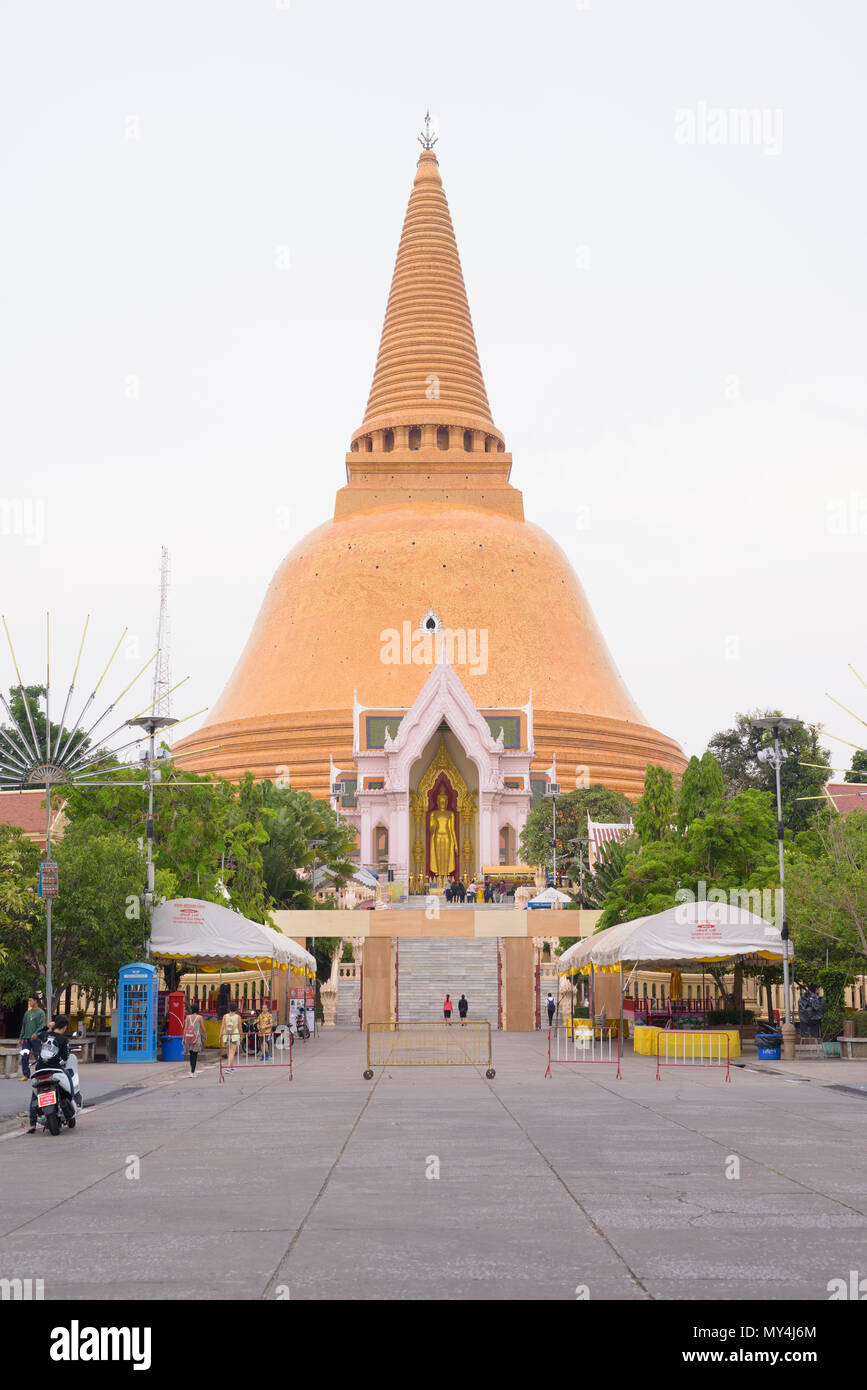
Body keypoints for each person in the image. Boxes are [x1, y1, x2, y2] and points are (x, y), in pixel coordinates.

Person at [26, 1015, 71, 1133]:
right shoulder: (63, 1039)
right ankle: (72, 1098)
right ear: (65, 1026)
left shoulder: (45, 1035)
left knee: (35, 1095)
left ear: (54, 1024)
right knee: (68, 1076)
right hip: (54, 1070)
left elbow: (34, 1036)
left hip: (40, 1069)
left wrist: (46, 1027)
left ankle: (32, 1125)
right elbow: (65, 1058)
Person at [19, 994, 46, 1081]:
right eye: (29, 1000)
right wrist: (21, 1038)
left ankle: (40, 1074)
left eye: (31, 1000)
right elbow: (23, 1026)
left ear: (35, 1001)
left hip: (36, 1039)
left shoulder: (41, 1013)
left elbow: (41, 1026)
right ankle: (26, 1075)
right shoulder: (27, 1013)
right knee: (24, 1057)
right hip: (26, 1039)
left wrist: (36, 1034)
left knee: (38, 1057)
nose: (29, 1002)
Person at [182, 1001, 206, 1076]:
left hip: (188, 1037)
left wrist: (183, 1038)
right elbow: (203, 1028)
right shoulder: (200, 1017)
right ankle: (193, 1071)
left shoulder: (187, 1017)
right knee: (195, 1055)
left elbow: (185, 1028)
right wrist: (205, 1035)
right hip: (196, 1038)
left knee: (191, 1053)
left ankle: (192, 1070)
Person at [219, 1000, 242, 1071]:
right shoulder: (237, 1017)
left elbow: (222, 1026)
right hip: (234, 1035)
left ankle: (231, 1066)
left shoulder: (225, 1016)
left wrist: (220, 1035)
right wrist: (241, 1035)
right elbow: (240, 1027)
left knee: (229, 1051)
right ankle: (228, 1067)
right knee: (232, 1051)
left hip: (226, 1035)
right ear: (236, 1009)